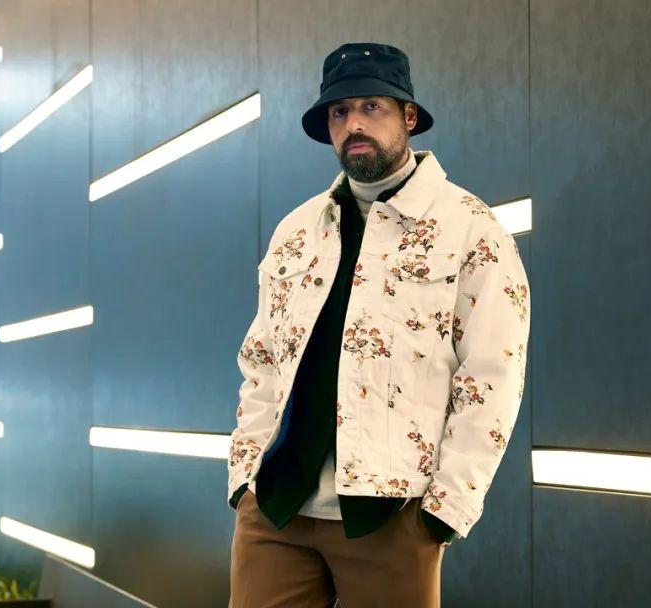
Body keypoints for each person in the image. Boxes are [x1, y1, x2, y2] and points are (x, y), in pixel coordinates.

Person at [228, 42, 530, 608]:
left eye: (372, 107)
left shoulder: (469, 228)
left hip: (394, 514)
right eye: (339, 112)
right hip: (276, 510)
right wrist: (245, 478)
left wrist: (444, 510)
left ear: (408, 116)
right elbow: (262, 360)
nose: (354, 125)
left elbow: (493, 375)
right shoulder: (297, 231)